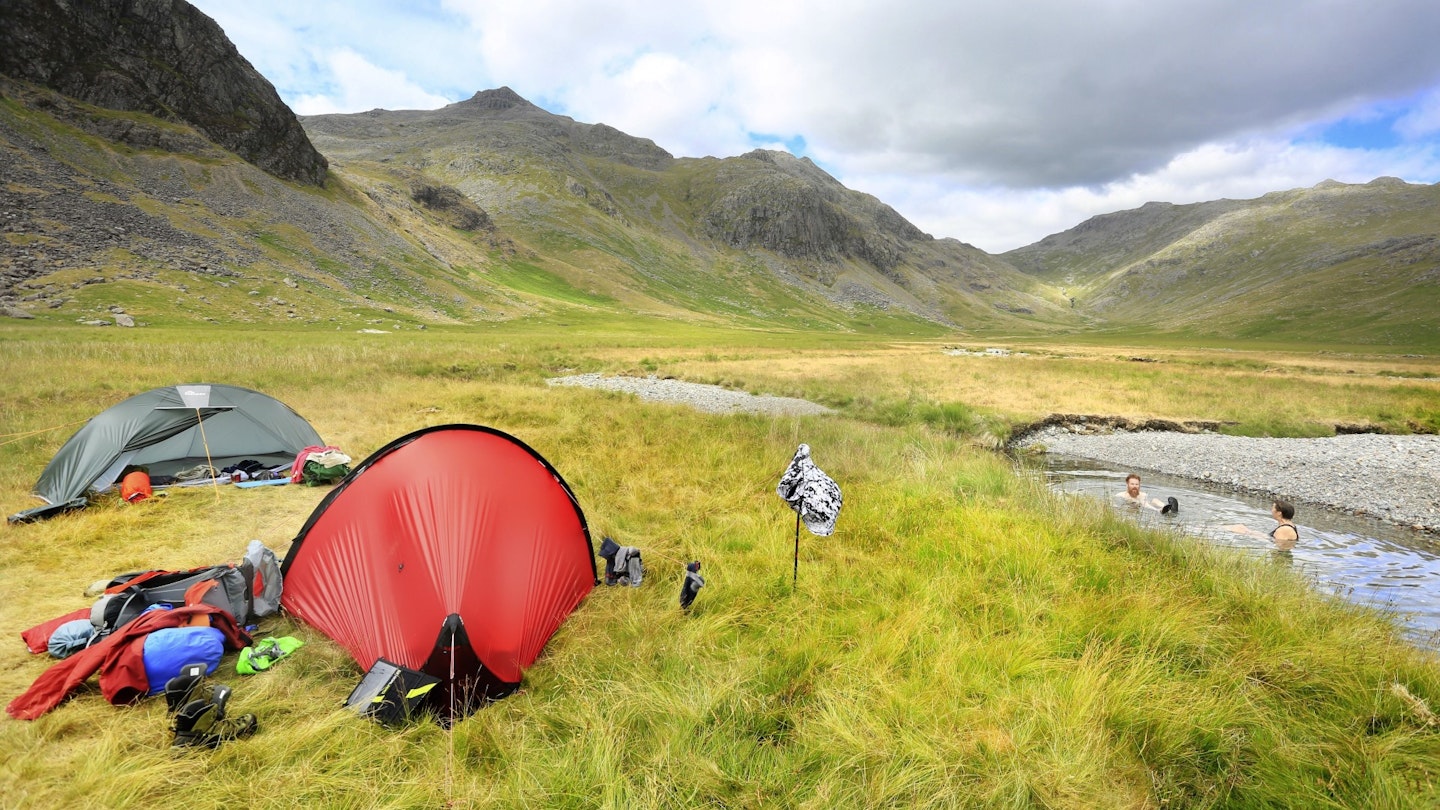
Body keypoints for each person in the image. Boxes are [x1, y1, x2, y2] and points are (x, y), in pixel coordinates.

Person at [1225, 500, 1300, 551]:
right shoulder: (1288, 525)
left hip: (1280, 558)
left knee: (1240, 529)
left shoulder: (1284, 529)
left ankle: (1214, 529)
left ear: (1279, 513)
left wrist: (1249, 534)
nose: (1271, 511)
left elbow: (1279, 547)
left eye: (1273, 508)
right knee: (1240, 527)